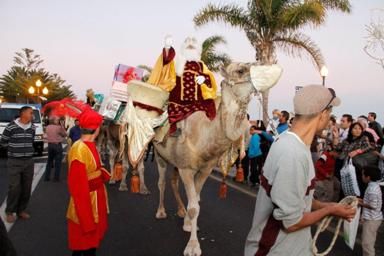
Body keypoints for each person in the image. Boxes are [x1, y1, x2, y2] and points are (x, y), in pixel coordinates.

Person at [245, 85, 356, 256]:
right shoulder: (293, 153)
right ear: (322, 114)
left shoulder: (291, 144)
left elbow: (296, 198)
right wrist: (330, 210)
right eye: (330, 113)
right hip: (275, 250)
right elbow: (291, 222)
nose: (329, 119)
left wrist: (327, 205)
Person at [149, 36, 217, 134]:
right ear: (183, 49)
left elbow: (210, 79)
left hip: (197, 104)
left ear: (198, 50)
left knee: (209, 113)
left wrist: (204, 78)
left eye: (193, 48)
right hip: (178, 104)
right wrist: (167, 48)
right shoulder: (177, 63)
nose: (190, 49)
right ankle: (173, 130)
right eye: (188, 48)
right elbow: (166, 63)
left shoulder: (201, 65)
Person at [66, 108, 111, 256]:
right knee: (81, 248)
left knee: (91, 246)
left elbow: (93, 169)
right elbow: (78, 189)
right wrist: (86, 220)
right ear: (97, 129)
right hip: (86, 207)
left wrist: (104, 174)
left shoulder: (88, 145)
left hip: (94, 202)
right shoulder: (79, 149)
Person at [0, 106, 35, 223]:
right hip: (14, 162)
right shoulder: (11, 127)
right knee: (14, 188)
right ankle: (9, 211)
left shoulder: (33, 127)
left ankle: (21, 210)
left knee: (27, 187)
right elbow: (3, 142)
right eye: (31, 113)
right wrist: (13, 151)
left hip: (29, 161)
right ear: (23, 113)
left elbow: (31, 141)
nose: (32, 115)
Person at [358, 166, 383, 256]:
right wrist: (360, 200)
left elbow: (373, 205)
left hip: (372, 220)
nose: (362, 176)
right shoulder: (374, 185)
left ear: (368, 177)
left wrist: (360, 203)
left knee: (367, 244)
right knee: (368, 241)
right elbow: (370, 201)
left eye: (363, 175)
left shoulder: (372, 189)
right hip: (373, 218)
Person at [44, 117, 67, 181]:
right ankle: (56, 178)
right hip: (57, 145)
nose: (58, 120)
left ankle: (47, 177)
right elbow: (65, 134)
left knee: (49, 161)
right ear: (54, 121)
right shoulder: (58, 127)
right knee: (58, 162)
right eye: (57, 120)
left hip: (50, 145)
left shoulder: (47, 127)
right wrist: (62, 126)